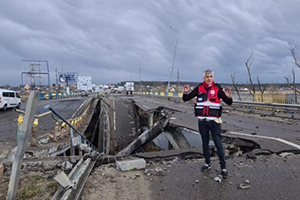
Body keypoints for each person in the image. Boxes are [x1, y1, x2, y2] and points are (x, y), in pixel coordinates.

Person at [182, 69, 232, 179]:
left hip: (215, 122)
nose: (209, 79)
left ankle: (223, 167)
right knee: (205, 143)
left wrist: (229, 97)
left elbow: (229, 102)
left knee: (218, 144)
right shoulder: (199, 88)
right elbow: (186, 99)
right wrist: (185, 92)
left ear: (213, 78)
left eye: (211, 77)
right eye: (207, 77)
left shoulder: (218, 88)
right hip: (202, 122)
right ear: (203, 78)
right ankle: (207, 163)